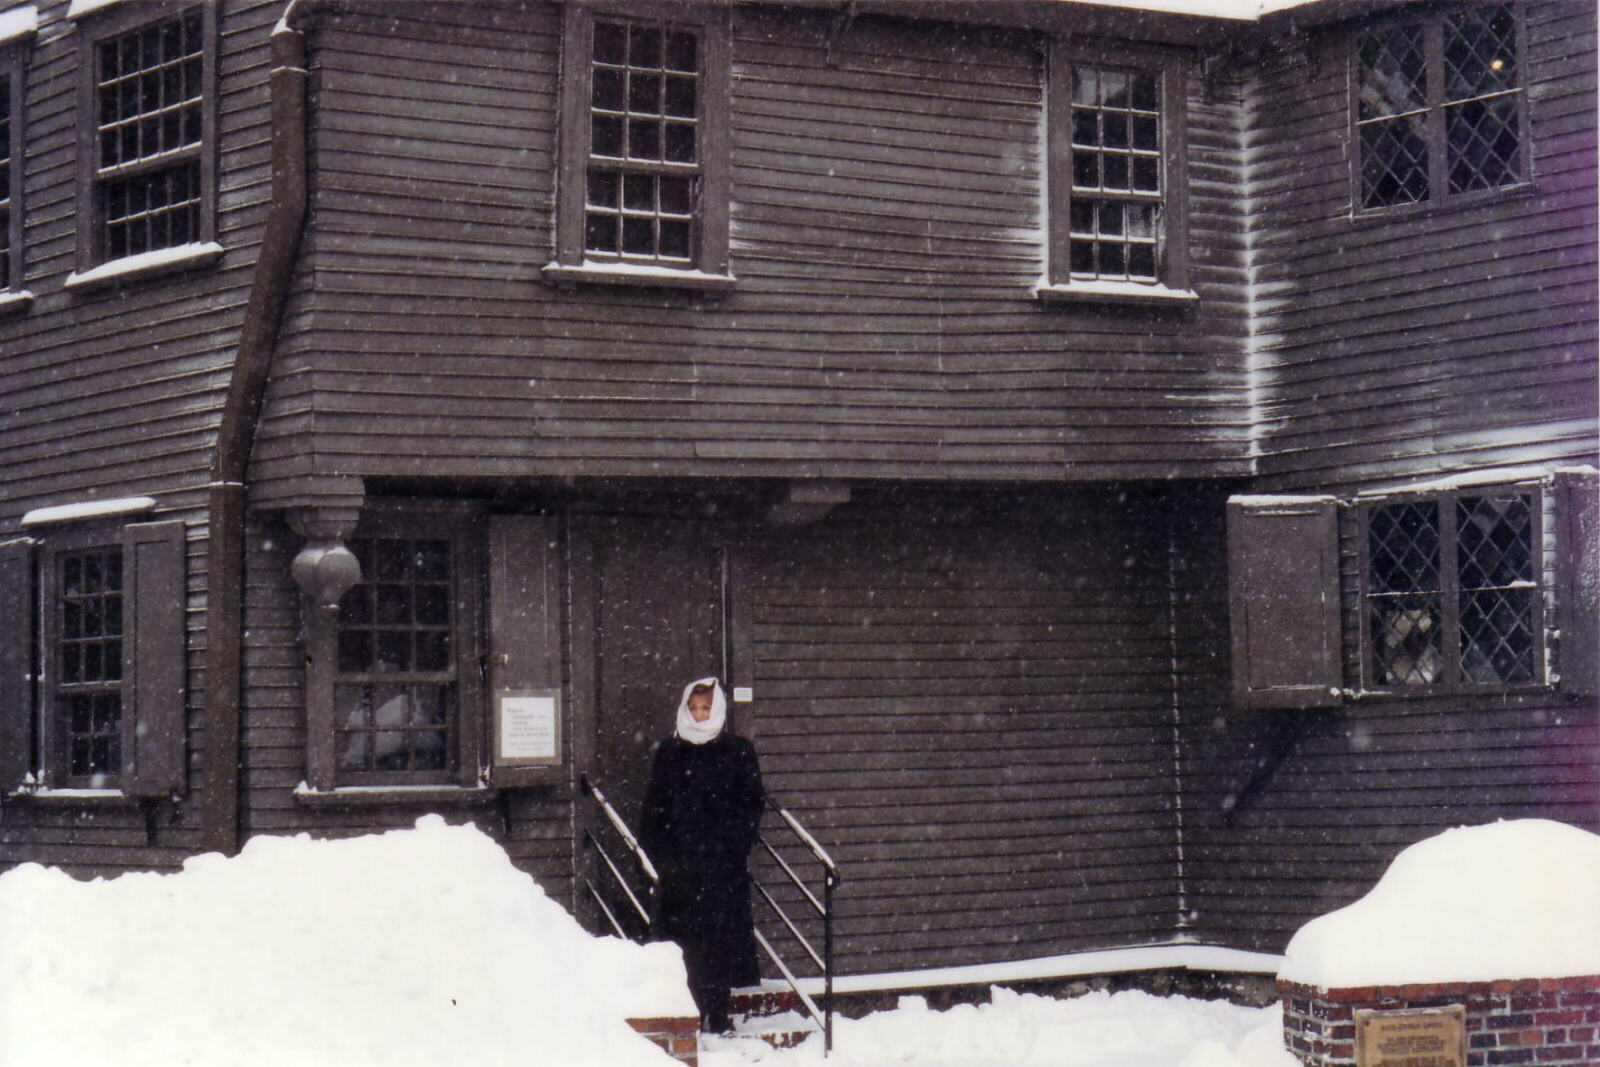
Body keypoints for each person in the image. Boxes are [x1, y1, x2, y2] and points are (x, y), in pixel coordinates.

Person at [638, 677, 765, 1035]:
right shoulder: (669, 753)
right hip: (681, 866)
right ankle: (692, 1009)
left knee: (721, 941)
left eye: (705, 707)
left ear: (718, 709)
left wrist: (733, 844)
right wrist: (656, 853)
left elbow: (751, 804)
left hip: (722, 866)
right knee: (685, 942)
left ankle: (719, 1013)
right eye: (693, 708)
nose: (698, 714)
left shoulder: (738, 751)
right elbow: (655, 808)